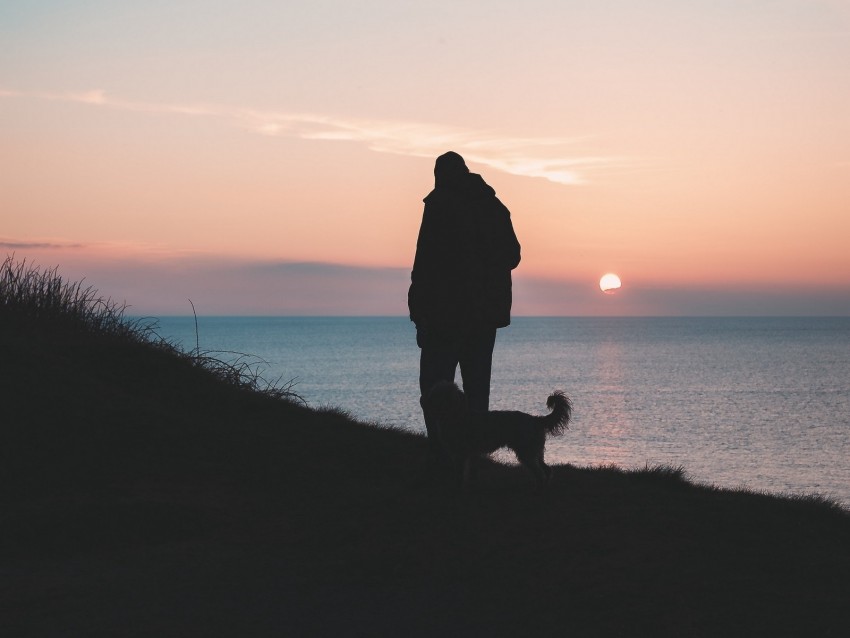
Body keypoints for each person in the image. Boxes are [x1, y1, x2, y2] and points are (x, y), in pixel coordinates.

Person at [408, 151, 521, 462]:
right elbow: (513, 256)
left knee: (434, 387)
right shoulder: (494, 207)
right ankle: (473, 459)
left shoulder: (440, 204)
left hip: (446, 314)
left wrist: (419, 312)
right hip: (484, 315)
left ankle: (441, 453)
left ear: (440, 176)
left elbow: (425, 260)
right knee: (476, 392)